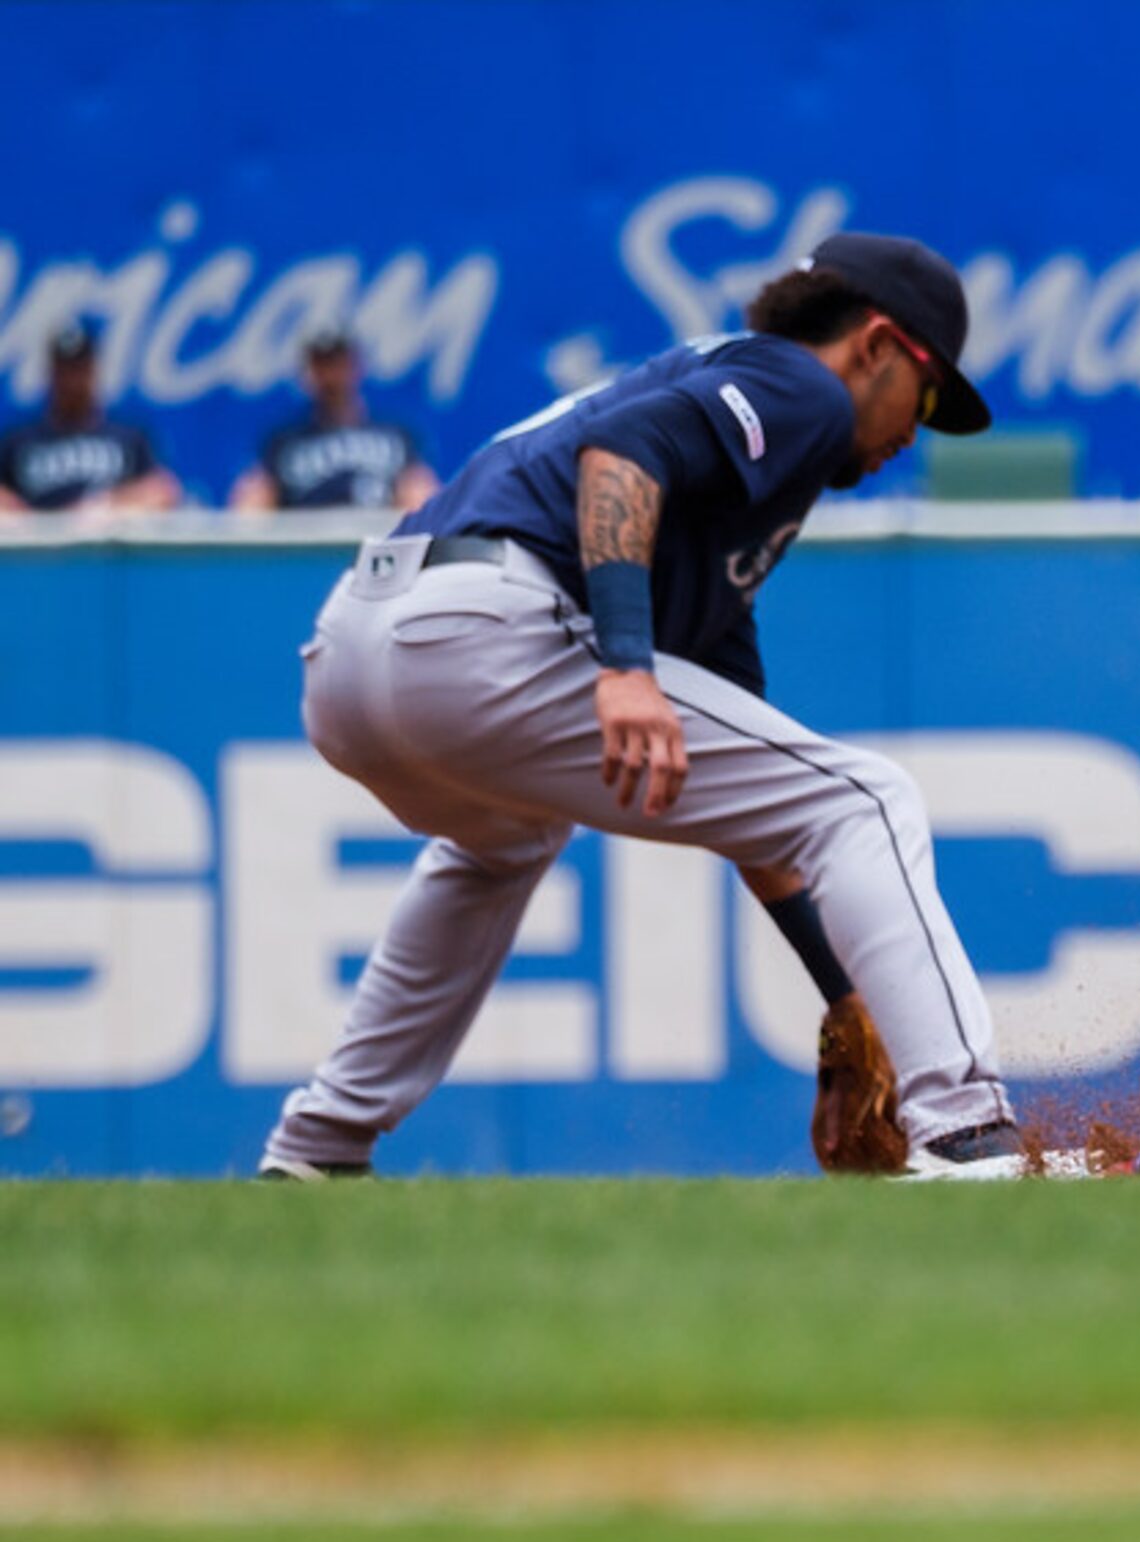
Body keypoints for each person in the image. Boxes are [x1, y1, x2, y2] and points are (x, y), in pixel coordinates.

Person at [257, 231, 1029, 1181]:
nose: (921, 427)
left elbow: (766, 821)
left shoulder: (729, 513)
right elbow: (619, 451)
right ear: (874, 345)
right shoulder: (803, 386)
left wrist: (844, 1007)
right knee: (868, 799)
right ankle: (967, 1132)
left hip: (351, 655)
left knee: (502, 841)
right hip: (482, 625)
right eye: (932, 391)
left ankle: (318, 1147)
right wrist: (625, 664)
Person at [230, 330, 439, 512]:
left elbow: (420, 496)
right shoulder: (284, 441)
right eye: (321, 365)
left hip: (380, 543)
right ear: (308, 373)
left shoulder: (395, 435)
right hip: (309, 548)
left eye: (338, 363)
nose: (330, 375)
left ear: (356, 366)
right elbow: (253, 503)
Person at [0, 326, 182, 515]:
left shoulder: (127, 437)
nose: (71, 381)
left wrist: (105, 507)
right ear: (51, 373)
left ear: (93, 370)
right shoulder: (19, 442)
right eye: (64, 371)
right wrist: (27, 519)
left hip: (109, 539)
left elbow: (164, 491)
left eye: (79, 370)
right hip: (41, 540)